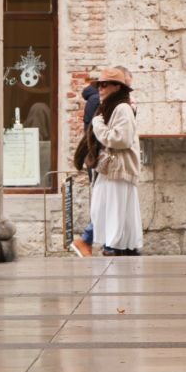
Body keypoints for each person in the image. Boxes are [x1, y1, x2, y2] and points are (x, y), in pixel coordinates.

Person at [87, 66, 143, 256]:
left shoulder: (122, 108)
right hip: (111, 166)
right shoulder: (112, 107)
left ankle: (114, 244)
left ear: (117, 87)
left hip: (119, 165)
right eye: (99, 85)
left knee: (115, 207)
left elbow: (121, 140)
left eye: (105, 85)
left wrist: (98, 125)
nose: (100, 89)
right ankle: (120, 245)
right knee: (103, 206)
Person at [69, 77, 101, 257]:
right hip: (97, 159)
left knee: (105, 201)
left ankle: (98, 241)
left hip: (94, 157)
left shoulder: (93, 99)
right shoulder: (96, 100)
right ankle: (86, 238)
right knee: (104, 202)